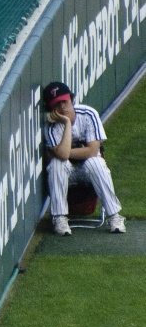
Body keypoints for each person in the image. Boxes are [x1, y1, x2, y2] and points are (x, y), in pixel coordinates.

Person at [42, 81, 125, 235]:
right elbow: (63, 157)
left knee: (96, 162)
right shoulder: (51, 127)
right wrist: (66, 123)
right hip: (68, 172)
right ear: (50, 109)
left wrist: (62, 152)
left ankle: (114, 216)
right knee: (56, 164)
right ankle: (59, 218)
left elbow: (93, 150)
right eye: (56, 105)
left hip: (89, 170)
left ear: (71, 100)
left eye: (64, 102)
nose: (62, 107)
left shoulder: (88, 114)